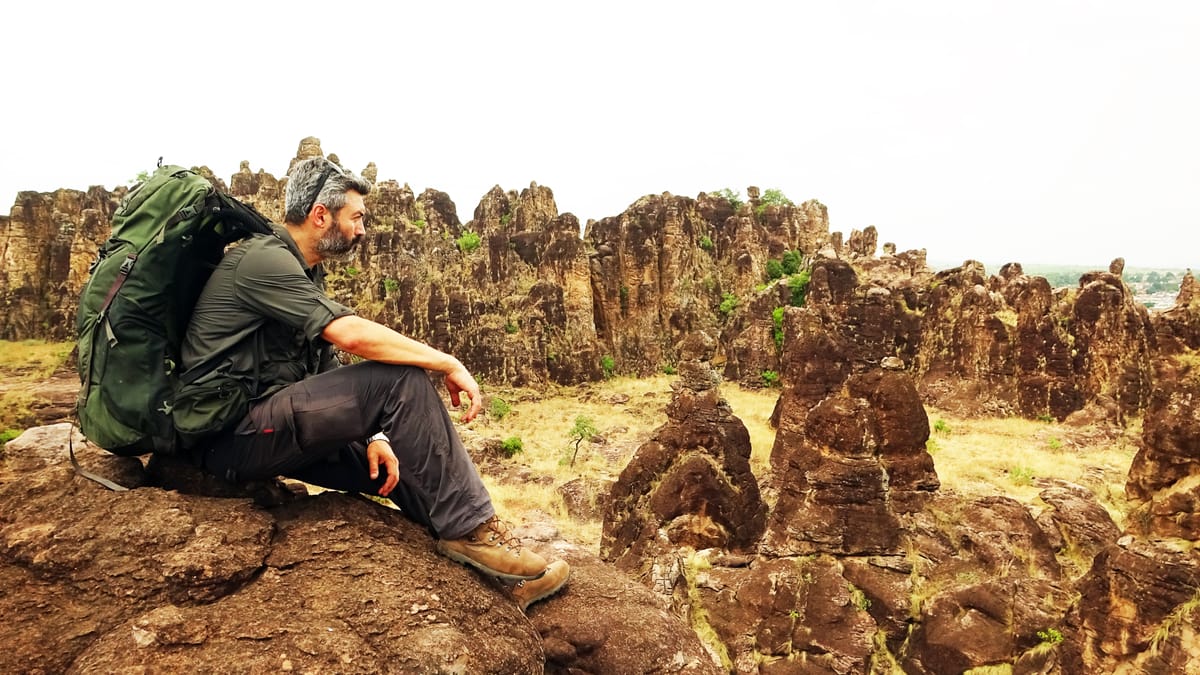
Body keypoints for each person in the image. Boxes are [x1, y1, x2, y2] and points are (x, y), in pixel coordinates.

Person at [178, 156, 569, 611]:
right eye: (357, 217)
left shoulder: (305, 271)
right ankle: (472, 535)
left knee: (398, 453)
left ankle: (493, 569)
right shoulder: (262, 260)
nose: (362, 230)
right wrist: (446, 362)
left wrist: (374, 435)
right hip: (230, 437)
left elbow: (321, 372)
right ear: (320, 214)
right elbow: (351, 335)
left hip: (268, 428)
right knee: (399, 379)